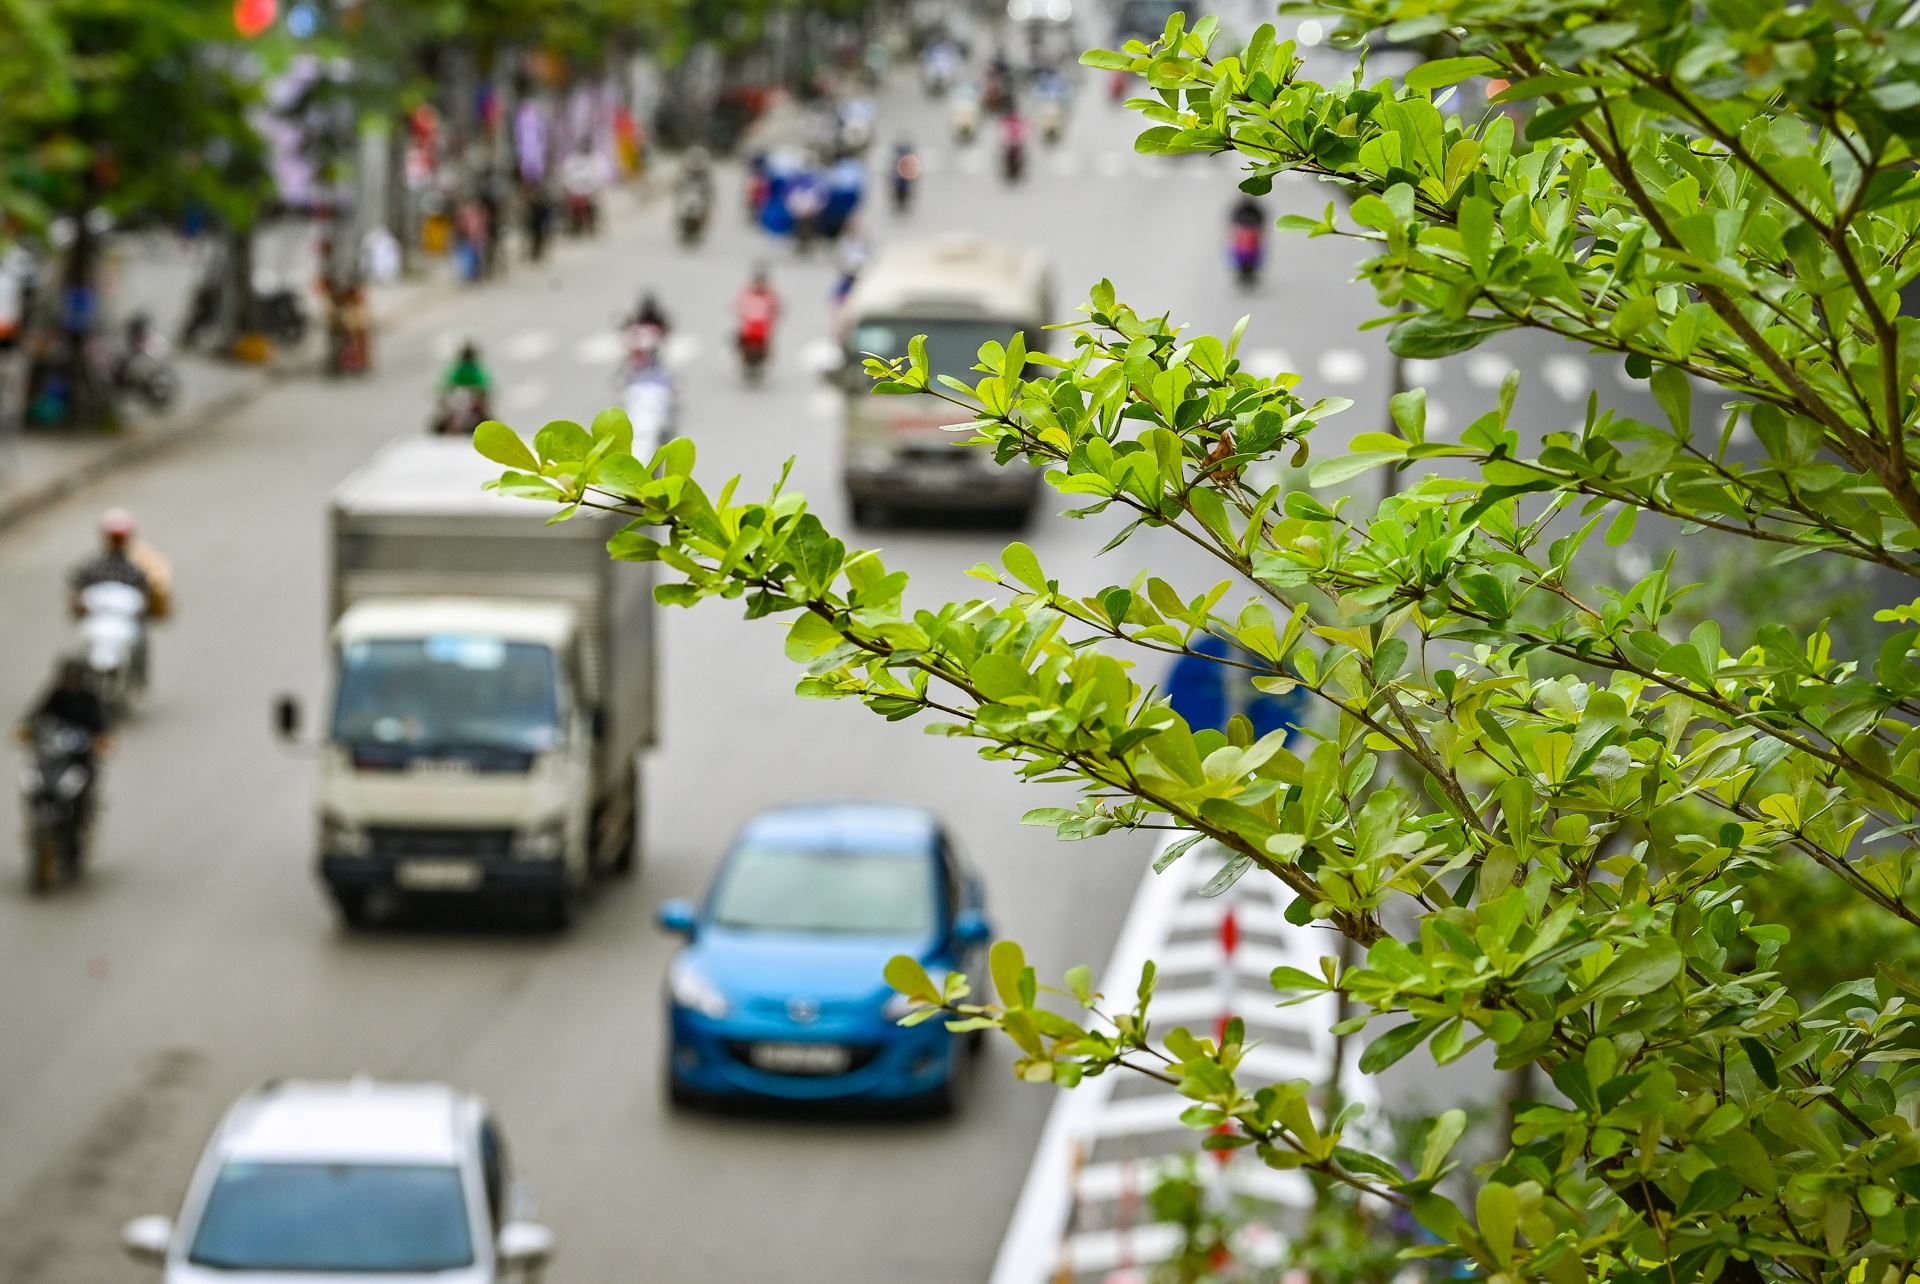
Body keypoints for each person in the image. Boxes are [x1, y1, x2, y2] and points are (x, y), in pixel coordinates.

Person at [70, 508, 152, 618]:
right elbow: (76, 591)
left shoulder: (137, 568)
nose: (117, 543)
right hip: (98, 619)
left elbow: (149, 597)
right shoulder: (92, 567)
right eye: (114, 538)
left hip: (128, 620)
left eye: (120, 538)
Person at [25, 658, 112, 742]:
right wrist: (30, 725)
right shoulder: (58, 695)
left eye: (76, 676)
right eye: (69, 675)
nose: (72, 679)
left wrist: (98, 734)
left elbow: (98, 722)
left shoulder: (89, 698)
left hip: (82, 740)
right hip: (55, 737)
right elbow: (41, 712)